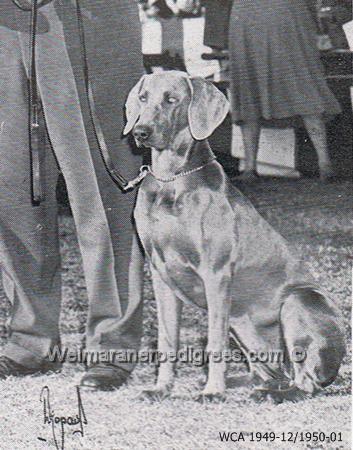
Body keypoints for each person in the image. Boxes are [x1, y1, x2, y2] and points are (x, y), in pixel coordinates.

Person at [0, 0, 144, 391]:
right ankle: (31, 339)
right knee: (11, 189)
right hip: (6, 26)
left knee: (102, 189)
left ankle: (112, 346)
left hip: (87, 20)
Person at [228, 0, 342, 181]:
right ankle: (324, 163)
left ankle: (250, 167)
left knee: (249, 85)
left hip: (248, 14)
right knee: (301, 80)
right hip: (288, 12)